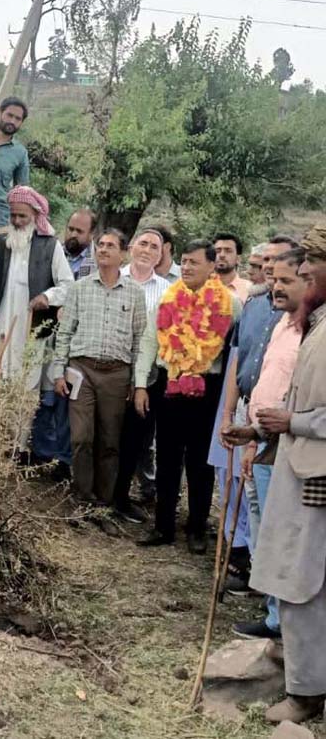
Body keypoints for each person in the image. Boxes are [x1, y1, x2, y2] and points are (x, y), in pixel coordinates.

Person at [249, 224, 326, 725]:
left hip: (315, 476)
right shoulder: (315, 324)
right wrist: (260, 432)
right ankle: (305, 684)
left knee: (304, 586)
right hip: (299, 467)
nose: (300, 275)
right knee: (301, 585)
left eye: (308, 268)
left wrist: (293, 422)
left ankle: (305, 694)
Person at [222, 248, 307, 640]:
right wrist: (252, 435)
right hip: (260, 437)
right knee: (260, 526)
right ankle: (270, 607)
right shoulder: (282, 324)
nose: (276, 286)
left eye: (286, 280)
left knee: (277, 532)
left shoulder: (310, 332)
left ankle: (279, 620)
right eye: (274, 279)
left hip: (288, 445)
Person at [136, 240, 241, 553]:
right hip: (170, 386)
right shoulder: (167, 299)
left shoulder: (230, 303)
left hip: (207, 391)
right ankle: (163, 527)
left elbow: (236, 351)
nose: (188, 267)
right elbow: (148, 343)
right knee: (167, 459)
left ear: (211, 266)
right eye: (185, 261)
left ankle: (196, 528)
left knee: (200, 463)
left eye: (195, 262)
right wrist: (141, 384)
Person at [212, 235, 299, 583]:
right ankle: (257, 579)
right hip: (250, 416)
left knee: (277, 514)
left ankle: (273, 597)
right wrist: (231, 416)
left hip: (285, 427)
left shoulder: (303, 322)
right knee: (249, 498)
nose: (272, 277)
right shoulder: (254, 305)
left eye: (280, 272)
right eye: (267, 269)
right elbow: (239, 361)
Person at [53, 229, 147, 505]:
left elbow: (140, 338)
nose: (103, 250)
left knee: (109, 442)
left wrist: (135, 381)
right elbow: (65, 331)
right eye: (100, 245)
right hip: (82, 370)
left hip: (117, 374)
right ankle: (82, 500)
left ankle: (103, 503)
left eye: (110, 246)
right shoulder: (80, 288)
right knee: (81, 437)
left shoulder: (134, 293)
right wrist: (59, 372)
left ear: (123, 253)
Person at [0, 186, 73, 396]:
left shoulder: (51, 246)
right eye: (13, 215)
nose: (16, 221)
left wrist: (47, 296)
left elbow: (69, 286)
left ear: (36, 216)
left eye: (22, 216)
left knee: (23, 389)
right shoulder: (0, 244)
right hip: (1, 326)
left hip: (31, 330)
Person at [114, 228, 172, 521]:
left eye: (154, 247)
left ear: (161, 256)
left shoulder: (167, 291)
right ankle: (98, 493)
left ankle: (121, 497)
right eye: (143, 243)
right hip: (110, 372)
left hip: (147, 379)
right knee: (106, 434)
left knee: (136, 438)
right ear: (132, 246)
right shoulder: (114, 278)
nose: (147, 250)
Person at [0, 98, 30, 241]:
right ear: (0, 113)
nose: (12, 121)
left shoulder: (20, 153)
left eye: (17, 118)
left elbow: (22, 192)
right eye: (9, 115)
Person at [214, 232, 252, 304]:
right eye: (217, 251)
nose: (222, 255)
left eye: (228, 251)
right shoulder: (201, 288)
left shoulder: (250, 291)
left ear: (238, 259)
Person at [64, 209, 98, 280]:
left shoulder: (99, 260)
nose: (73, 235)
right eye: (71, 229)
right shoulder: (54, 252)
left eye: (79, 231)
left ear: (92, 234)